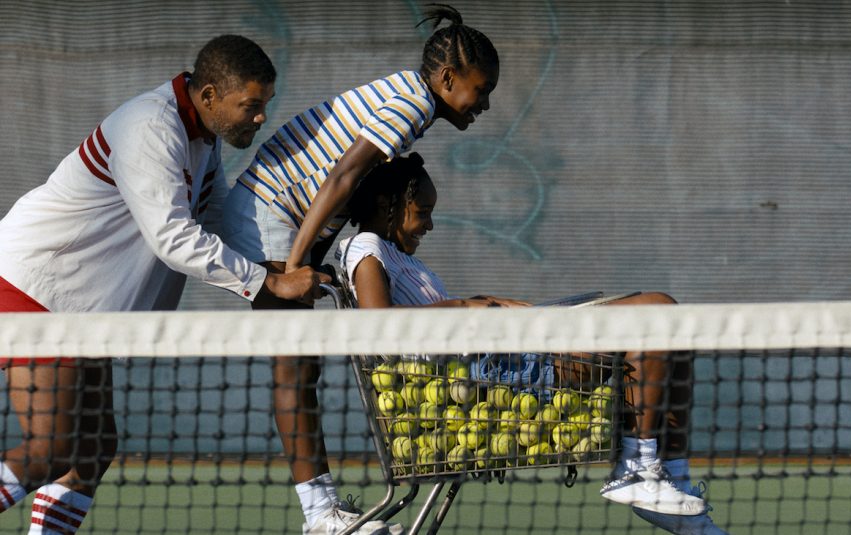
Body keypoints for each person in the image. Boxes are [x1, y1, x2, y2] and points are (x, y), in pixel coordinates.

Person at [0, 35, 333, 534]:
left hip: (80, 310)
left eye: (264, 104)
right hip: (38, 287)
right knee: (53, 445)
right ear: (209, 97)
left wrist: (275, 268)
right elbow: (174, 238)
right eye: (251, 105)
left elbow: (214, 218)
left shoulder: (202, 138)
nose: (261, 117)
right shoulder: (151, 126)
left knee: (91, 451)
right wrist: (267, 283)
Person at [333, 154, 729, 535]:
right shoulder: (366, 248)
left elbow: (436, 311)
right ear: (387, 204)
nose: (430, 224)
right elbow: (379, 327)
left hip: (502, 359)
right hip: (496, 375)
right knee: (657, 312)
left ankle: (667, 478)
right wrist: (468, 306)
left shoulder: (398, 256)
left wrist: (492, 301)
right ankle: (638, 470)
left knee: (666, 318)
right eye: (422, 212)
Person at [219, 5, 498, 534]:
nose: (483, 104)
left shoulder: (410, 101)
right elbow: (343, 177)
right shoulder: (412, 104)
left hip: (292, 219)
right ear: (446, 79)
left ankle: (323, 511)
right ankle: (320, 515)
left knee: (302, 368)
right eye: (480, 90)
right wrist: (296, 266)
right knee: (296, 367)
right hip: (271, 213)